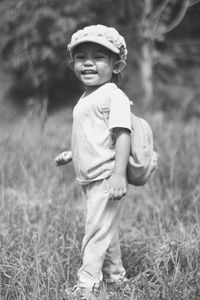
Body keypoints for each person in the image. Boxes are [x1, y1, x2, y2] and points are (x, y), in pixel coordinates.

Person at [55, 24, 131, 300]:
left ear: (116, 64)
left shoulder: (112, 94)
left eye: (99, 57)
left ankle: (87, 287)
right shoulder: (87, 97)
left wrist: (119, 174)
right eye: (80, 56)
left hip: (106, 177)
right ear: (73, 63)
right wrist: (72, 153)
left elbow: (122, 134)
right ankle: (116, 279)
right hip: (90, 178)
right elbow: (94, 138)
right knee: (104, 231)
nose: (88, 62)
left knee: (94, 233)